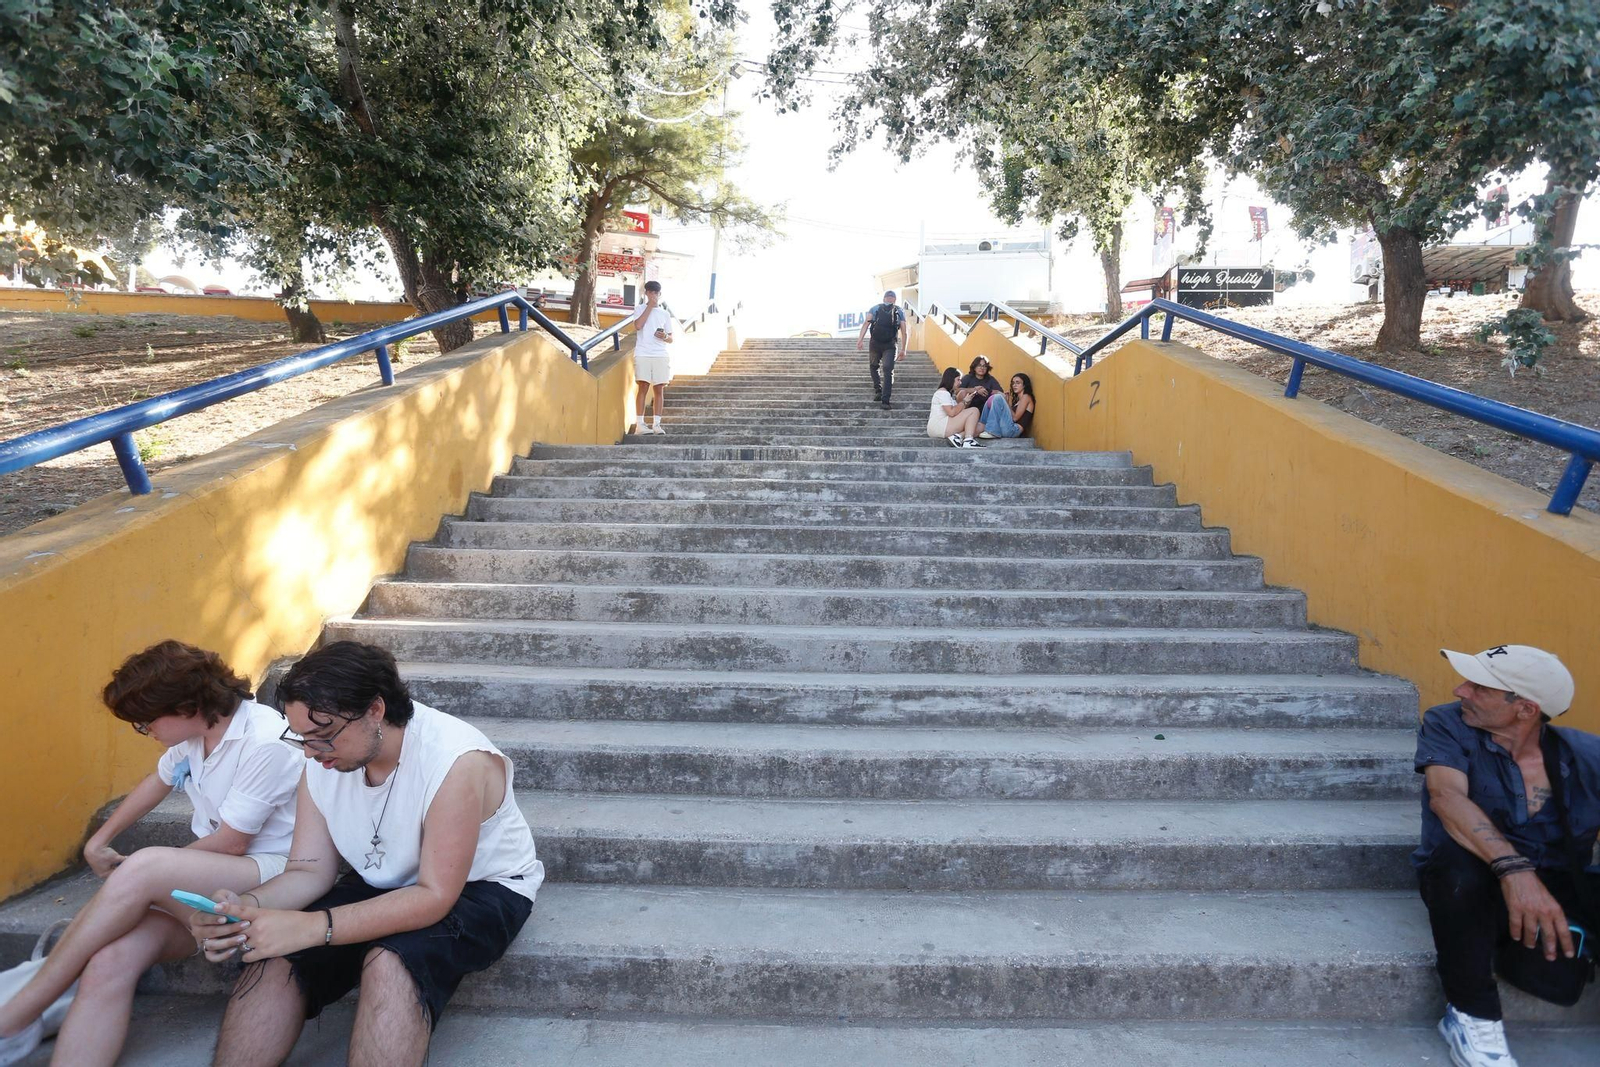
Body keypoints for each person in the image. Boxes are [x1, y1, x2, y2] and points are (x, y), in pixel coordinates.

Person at [192, 641, 543, 1067]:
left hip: (482, 887)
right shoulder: (323, 759)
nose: (309, 752)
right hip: (382, 879)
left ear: (375, 710)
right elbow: (308, 870)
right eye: (300, 737)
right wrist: (245, 908)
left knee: (391, 961)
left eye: (323, 735)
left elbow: (434, 895)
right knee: (275, 953)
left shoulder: (455, 761)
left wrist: (311, 927)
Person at [0, 641, 299, 1067]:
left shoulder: (265, 740)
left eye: (145, 721)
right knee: (110, 960)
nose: (144, 730)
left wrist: (154, 877)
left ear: (187, 705)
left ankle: (18, 1014)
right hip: (210, 890)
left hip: (271, 881)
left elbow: (233, 842)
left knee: (144, 867)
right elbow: (156, 782)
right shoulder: (199, 734)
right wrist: (98, 841)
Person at [1414, 644, 1599, 1067]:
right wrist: (1514, 870)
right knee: (1456, 870)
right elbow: (1445, 796)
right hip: (1469, 876)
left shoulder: (1586, 756)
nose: (1461, 690)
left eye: (1480, 687)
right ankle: (1471, 1015)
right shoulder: (1448, 724)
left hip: (1557, 880)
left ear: (1525, 709)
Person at [631, 279, 676, 435]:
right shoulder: (639, 309)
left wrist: (664, 336)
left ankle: (657, 424)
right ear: (646, 293)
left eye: (656, 292)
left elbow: (671, 338)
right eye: (650, 292)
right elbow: (638, 326)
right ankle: (640, 425)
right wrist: (650, 306)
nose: (653, 295)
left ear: (659, 294)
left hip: (660, 354)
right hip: (643, 352)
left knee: (659, 388)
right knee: (642, 386)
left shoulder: (665, 314)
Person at [856, 290, 907, 409]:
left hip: (875, 343)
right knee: (888, 371)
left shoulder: (874, 308)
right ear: (894, 299)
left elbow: (866, 324)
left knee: (874, 366)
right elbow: (904, 331)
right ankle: (885, 401)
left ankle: (878, 390)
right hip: (890, 344)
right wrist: (904, 349)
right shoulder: (899, 310)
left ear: (884, 299)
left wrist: (860, 339)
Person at [928, 367, 982, 448]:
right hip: (938, 427)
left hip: (946, 425)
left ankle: (958, 437)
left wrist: (967, 401)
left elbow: (958, 412)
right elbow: (951, 412)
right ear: (951, 379)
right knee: (974, 410)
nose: (960, 382)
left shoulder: (948, 394)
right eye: (958, 380)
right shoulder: (942, 392)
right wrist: (964, 401)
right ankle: (968, 440)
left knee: (980, 426)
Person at [979, 372, 1035, 440]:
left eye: (1018, 383)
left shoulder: (1026, 397)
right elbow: (1010, 416)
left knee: (998, 397)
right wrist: (1006, 403)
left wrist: (1005, 402)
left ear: (1024, 385)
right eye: (1013, 383)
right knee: (990, 400)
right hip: (1008, 428)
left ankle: (991, 431)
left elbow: (1015, 418)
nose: (1014, 385)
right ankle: (982, 426)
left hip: (1014, 430)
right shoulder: (1018, 401)